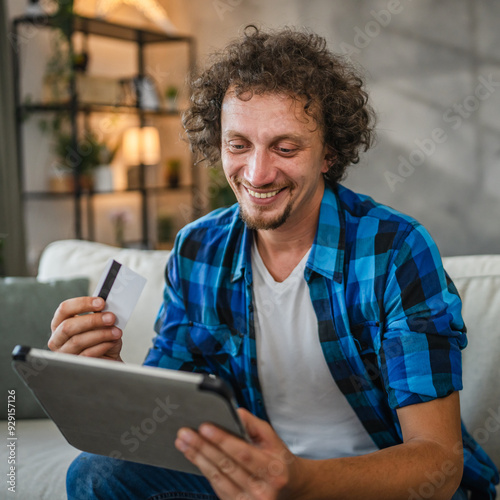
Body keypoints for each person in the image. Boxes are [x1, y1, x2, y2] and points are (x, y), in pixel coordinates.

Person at [49, 26, 498, 500]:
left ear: (329, 153)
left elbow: (439, 462)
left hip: (370, 487)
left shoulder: (396, 249)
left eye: (285, 148)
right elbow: (170, 416)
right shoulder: (197, 250)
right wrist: (109, 373)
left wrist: (299, 483)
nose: (257, 174)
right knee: (96, 474)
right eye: (238, 145)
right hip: (252, 482)